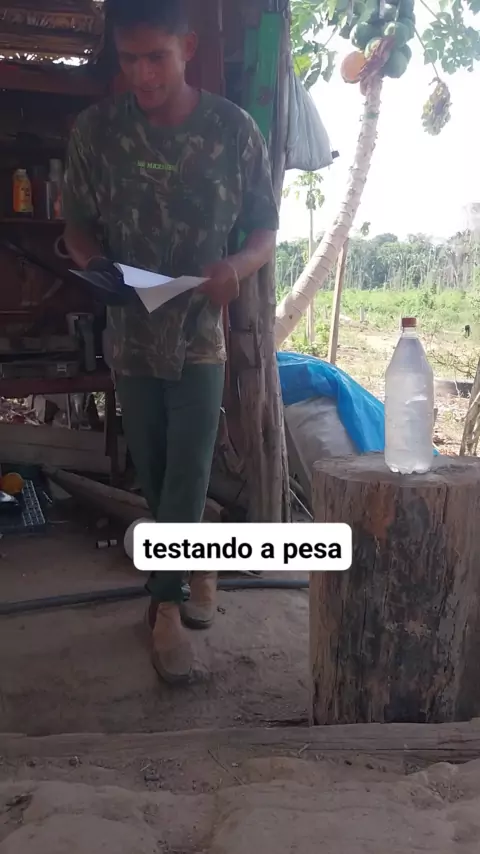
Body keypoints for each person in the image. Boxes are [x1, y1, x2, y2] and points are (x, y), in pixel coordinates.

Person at [63, 0, 279, 684]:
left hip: (199, 335)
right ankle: (195, 560)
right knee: (154, 472)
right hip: (131, 332)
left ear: (186, 47)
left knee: (187, 466)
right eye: (129, 59)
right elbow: (77, 225)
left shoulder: (233, 130)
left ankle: (164, 607)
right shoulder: (96, 132)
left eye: (156, 57)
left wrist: (236, 267)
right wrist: (95, 264)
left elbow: (264, 231)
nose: (143, 74)